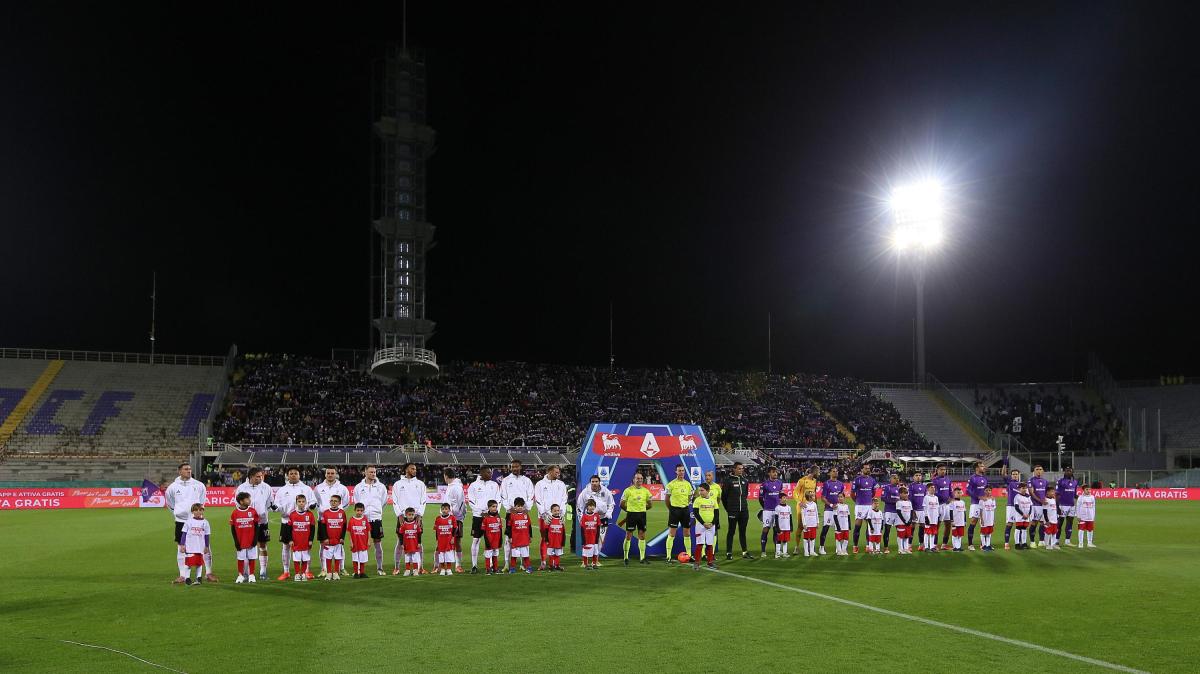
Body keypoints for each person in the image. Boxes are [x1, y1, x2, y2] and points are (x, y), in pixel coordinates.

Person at [166, 463, 212, 584]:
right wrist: (179, 513)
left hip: (197, 520)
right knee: (181, 548)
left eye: (190, 469)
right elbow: (170, 504)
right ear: (179, 471)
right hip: (181, 521)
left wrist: (197, 514)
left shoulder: (199, 485)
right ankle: (182, 575)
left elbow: (202, 502)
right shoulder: (172, 487)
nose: (189, 471)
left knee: (205, 546)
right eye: (186, 469)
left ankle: (208, 573)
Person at [275, 468, 317, 580]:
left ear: (300, 475)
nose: (293, 475)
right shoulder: (282, 490)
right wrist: (276, 508)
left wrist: (312, 505)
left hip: (303, 523)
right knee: (286, 546)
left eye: (295, 473)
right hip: (286, 522)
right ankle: (286, 571)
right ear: (287, 475)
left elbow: (313, 501)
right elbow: (276, 505)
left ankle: (306, 571)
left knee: (306, 547)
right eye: (291, 474)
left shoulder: (306, 489)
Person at [234, 467, 273, 580]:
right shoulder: (242, 488)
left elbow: (270, 503)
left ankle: (263, 571)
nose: (260, 478)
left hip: (262, 522)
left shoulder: (267, 487)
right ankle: (246, 573)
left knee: (263, 546)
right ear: (251, 477)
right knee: (246, 547)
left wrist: (264, 512)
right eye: (258, 476)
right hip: (247, 523)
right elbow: (238, 504)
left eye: (261, 476)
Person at [391, 463, 428, 575]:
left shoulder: (420, 484)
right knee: (400, 542)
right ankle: (397, 567)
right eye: (412, 468)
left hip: (416, 517)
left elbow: (424, 500)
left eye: (415, 469)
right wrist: (399, 515)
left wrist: (420, 515)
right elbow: (394, 501)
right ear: (406, 469)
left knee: (419, 543)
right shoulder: (398, 484)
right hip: (402, 518)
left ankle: (420, 567)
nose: (414, 470)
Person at [351, 466, 388, 576]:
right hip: (363, 519)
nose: (373, 473)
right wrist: (363, 513)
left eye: (374, 472)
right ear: (365, 473)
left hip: (376, 519)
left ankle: (380, 568)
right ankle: (359, 570)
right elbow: (357, 502)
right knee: (360, 545)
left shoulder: (381, 487)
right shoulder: (359, 487)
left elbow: (384, 501)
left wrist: (377, 511)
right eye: (371, 472)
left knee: (377, 544)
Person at [533, 465, 568, 571]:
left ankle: (555, 564)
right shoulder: (540, 484)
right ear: (549, 472)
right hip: (545, 517)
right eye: (556, 472)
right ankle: (543, 562)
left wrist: (561, 513)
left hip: (558, 516)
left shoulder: (561, 484)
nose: (558, 474)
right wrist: (545, 514)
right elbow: (538, 500)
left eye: (559, 472)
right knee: (545, 538)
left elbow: (564, 499)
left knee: (557, 538)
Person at [468, 465, 502, 574]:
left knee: (492, 540)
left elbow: (498, 500)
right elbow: (471, 501)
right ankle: (474, 565)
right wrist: (481, 512)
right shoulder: (473, 485)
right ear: (481, 473)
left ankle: (492, 564)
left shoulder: (495, 485)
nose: (490, 474)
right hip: (478, 517)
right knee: (476, 540)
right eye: (488, 472)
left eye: (490, 472)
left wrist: (493, 512)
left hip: (491, 517)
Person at [500, 460, 534, 567]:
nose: (515, 468)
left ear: (520, 467)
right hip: (511, 513)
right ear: (511, 468)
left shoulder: (526, 480)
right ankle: (506, 563)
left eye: (517, 466)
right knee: (508, 539)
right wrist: (510, 508)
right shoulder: (505, 480)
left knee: (523, 538)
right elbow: (503, 497)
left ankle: (522, 564)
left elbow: (531, 496)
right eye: (513, 467)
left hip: (523, 513)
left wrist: (526, 508)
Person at [577, 474, 614, 567]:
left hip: (603, 518)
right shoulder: (585, 492)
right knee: (587, 540)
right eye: (592, 481)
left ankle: (595, 561)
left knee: (599, 541)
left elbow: (611, 504)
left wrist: (609, 513)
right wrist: (581, 519)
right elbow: (579, 506)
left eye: (596, 481)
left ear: (599, 482)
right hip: (589, 520)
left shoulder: (606, 491)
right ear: (590, 482)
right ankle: (584, 561)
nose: (594, 483)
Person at [721, 461, 752, 560]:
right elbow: (723, 497)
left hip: (744, 511)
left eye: (742, 469)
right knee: (731, 531)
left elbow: (745, 495)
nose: (741, 470)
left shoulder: (745, 481)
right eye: (739, 468)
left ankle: (745, 552)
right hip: (733, 511)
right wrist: (728, 509)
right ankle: (729, 553)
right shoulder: (728, 481)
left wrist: (743, 507)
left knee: (743, 532)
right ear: (734, 469)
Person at [664, 464, 695, 565]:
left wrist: (684, 504)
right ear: (676, 472)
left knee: (687, 533)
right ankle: (668, 556)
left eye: (682, 471)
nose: (681, 472)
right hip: (674, 511)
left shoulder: (688, 484)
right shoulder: (671, 484)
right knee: (672, 533)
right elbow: (667, 499)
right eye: (679, 471)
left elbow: (690, 497)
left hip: (685, 510)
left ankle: (689, 555)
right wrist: (672, 509)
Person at [619, 473, 653, 565]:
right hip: (631, 515)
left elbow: (650, 504)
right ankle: (625, 557)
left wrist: (642, 509)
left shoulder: (646, 491)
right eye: (637, 478)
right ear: (633, 479)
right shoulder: (628, 490)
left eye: (641, 478)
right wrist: (629, 510)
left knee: (642, 536)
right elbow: (621, 504)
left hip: (642, 515)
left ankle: (642, 558)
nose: (639, 480)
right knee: (628, 535)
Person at [229, 492, 259, 584]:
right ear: (241, 502)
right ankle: (240, 575)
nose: (249, 500)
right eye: (247, 499)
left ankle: (251, 575)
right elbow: (233, 529)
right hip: (240, 540)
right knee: (240, 558)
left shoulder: (253, 511)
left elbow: (257, 526)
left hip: (251, 540)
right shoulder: (235, 513)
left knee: (252, 557)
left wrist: (255, 539)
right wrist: (236, 542)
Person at [179, 503, 211, 585]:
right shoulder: (189, 522)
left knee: (199, 563)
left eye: (200, 510)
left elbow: (207, 535)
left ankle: (198, 578)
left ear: (203, 511)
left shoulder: (205, 522)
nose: (198, 512)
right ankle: (187, 578)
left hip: (200, 546)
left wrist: (207, 546)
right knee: (189, 563)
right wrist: (182, 545)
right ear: (192, 511)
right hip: (190, 546)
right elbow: (184, 534)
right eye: (196, 510)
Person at [319, 494, 348, 580]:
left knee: (337, 557)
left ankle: (336, 573)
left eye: (335, 501)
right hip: (328, 540)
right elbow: (323, 527)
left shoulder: (342, 513)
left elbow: (344, 526)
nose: (333, 502)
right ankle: (328, 573)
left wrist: (342, 537)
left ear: (339, 503)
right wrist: (325, 538)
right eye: (331, 501)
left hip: (338, 540)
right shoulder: (326, 512)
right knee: (328, 557)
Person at [288, 495, 317, 581]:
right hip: (296, 541)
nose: (301, 503)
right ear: (296, 503)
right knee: (296, 558)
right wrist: (290, 540)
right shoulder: (292, 514)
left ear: (306, 503)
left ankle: (303, 573)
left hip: (306, 541)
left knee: (305, 558)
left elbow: (312, 528)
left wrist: (311, 540)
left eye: (303, 501)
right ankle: (297, 574)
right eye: (299, 502)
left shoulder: (310, 514)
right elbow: (289, 529)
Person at [442, 468, 466, 573]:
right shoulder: (451, 487)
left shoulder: (456, 487)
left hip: (455, 519)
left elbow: (461, 504)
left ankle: (458, 565)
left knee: (457, 542)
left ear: (446, 476)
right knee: (446, 541)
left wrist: (457, 518)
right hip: (447, 518)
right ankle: (446, 565)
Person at [851, 463, 878, 554]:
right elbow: (852, 494)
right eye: (866, 468)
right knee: (858, 526)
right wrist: (857, 501)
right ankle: (855, 546)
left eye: (869, 468)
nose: (868, 470)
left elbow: (873, 492)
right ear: (862, 470)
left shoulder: (872, 480)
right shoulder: (857, 480)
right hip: (860, 506)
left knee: (869, 526)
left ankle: (868, 546)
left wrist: (869, 500)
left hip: (869, 506)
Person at [691, 483, 719, 570]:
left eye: (702, 490)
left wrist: (712, 523)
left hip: (711, 526)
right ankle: (696, 563)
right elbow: (696, 513)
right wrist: (703, 523)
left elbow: (717, 513)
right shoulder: (697, 500)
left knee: (710, 544)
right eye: (699, 490)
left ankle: (710, 562)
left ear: (708, 491)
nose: (700, 492)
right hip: (700, 526)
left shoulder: (713, 500)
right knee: (700, 544)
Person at [757, 466, 784, 558]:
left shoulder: (780, 483)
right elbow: (760, 498)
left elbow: (781, 496)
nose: (775, 473)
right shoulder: (764, 484)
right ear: (769, 473)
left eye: (776, 472)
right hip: (768, 511)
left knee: (777, 530)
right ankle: (763, 551)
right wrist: (765, 508)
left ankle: (777, 551)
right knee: (766, 529)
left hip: (777, 511)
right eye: (773, 472)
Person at [820, 467, 846, 555]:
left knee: (838, 529)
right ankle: (821, 548)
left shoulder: (841, 484)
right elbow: (822, 497)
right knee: (825, 528)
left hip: (838, 511)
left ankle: (838, 549)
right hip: (828, 510)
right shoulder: (826, 483)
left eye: (836, 471)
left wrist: (841, 505)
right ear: (830, 473)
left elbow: (842, 496)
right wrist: (831, 505)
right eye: (833, 471)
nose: (835, 473)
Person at [506, 497, 534, 574]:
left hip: (524, 538)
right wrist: (510, 537)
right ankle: (512, 568)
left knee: (526, 555)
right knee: (514, 555)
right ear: (515, 507)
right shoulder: (512, 515)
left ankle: (529, 567)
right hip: (515, 539)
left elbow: (529, 526)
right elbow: (508, 527)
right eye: (518, 506)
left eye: (521, 506)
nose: (520, 507)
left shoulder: (526, 515)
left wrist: (530, 536)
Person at [1055, 466, 1080, 546]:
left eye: (1070, 471)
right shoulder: (1060, 481)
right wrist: (1057, 506)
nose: (1068, 472)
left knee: (1070, 523)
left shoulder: (1075, 482)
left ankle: (1067, 541)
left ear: (1072, 472)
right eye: (1067, 471)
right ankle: (1056, 540)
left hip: (1071, 505)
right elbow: (1057, 495)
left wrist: (1079, 498)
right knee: (1060, 524)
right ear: (1064, 472)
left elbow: (1075, 494)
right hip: (1062, 505)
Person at [931, 464, 953, 550]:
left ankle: (944, 545)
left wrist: (951, 498)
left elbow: (950, 491)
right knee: (937, 525)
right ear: (937, 470)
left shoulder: (948, 479)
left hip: (947, 505)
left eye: (944, 469)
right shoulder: (934, 480)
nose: (943, 471)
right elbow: (934, 492)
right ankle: (934, 544)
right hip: (938, 506)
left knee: (948, 525)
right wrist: (942, 498)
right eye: (941, 469)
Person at [348, 503, 372, 578]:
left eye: (361, 510)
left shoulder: (365, 519)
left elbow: (368, 530)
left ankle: (362, 572)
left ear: (363, 511)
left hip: (363, 543)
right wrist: (351, 542)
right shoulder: (352, 520)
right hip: (355, 543)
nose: (359, 512)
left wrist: (369, 540)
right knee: (355, 558)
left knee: (362, 558)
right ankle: (356, 573)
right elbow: (349, 532)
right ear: (355, 510)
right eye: (358, 510)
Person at [397, 507, 423, 576]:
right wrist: (402, 543)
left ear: (414, 515)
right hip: (407, 545)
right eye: (409, 514)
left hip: (414, 544)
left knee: (415, 558)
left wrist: (419, 543)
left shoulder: (416, 524)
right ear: (406, 515)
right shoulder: (404, 525)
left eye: (412, 514)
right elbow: (401, 534)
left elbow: (419, 534)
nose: (411, 516)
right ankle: (407, 570)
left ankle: (415, 570)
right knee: (407, 558)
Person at [1028, 465, 1049, 548]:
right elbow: (1031, 493)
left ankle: (1041, 541)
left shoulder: (1045, 481)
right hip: (1035, 505)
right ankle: (1032, 542)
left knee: (1043, 523)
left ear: (1043, 471)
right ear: (1034, 471)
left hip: (1043, 505)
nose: (1039, 471)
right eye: (1037, 469)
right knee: (1034, 522)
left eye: (1040, 469)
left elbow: (1047, 493)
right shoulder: (1031, 480)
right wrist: (1040, 501)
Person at [481, 500, 505, 575]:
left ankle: (495, 569)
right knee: (488, 554)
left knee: (495, 554)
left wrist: (501, 539)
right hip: (489, 540)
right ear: (489, 507)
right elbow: (484, 531)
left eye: (496, 507)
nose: (495, 508)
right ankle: (488, 569)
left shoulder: (498, 517)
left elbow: (500, 529)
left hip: (497, 540)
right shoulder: (486, 518)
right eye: (493, 506)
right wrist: (487, 541)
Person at [434, 503, 457, 576]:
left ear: (449, 510)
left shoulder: (452, 518)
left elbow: (455, 528)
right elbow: (436, 530)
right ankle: (443, 569)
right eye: (443, 509)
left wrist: (453, 537)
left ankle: (449, 569)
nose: (444, 510)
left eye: (446, 509)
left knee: (448, 555)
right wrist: (437, 539)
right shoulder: (438, 518)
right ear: (441, 510)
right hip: (441, 540)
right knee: (441, 555)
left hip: (449, 540)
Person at [880, 473, 901, 554]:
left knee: (899, 530)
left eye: (897, 478)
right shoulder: (886, 487)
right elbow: (883, 498)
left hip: (898, 512)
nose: (897, 479)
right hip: (889, 512)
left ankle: (900, 547)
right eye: (895, 478)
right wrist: (894, 502)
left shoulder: (899, 488)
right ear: (891, 479)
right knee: (887, 530)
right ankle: (886, 548)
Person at [703, 469, 721, 556]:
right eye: (706, 475)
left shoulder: (717, 487)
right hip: (703, 513)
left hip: (713, 513)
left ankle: (711, 553)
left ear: (712, 476)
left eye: (709, 475)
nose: (707, 477)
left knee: (714, 533)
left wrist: (714, 507)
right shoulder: (701, 487)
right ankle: (702, 554)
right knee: (702, 533)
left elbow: (718, 499)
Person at [579, 499, 602, 570]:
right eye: (590, 506)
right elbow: (582, 529)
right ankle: (585, 564)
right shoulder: (584, 517)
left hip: (594, 538)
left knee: (595, 551)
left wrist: (597, 538)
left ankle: (594, 563)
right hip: (587, 538)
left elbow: (598, 527)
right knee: (586, 552)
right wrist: (583, 540)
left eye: (593, 506)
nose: (592, 507)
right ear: (587, 507)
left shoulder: (596, 516)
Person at [1002, 469, 1022, 551]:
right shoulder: (1010, 483)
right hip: (1011, 506)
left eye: (1016, 474)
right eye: (1013, 474)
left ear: (1018, 475)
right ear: (1011, 475)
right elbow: (1003, 474)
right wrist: (1004, 465)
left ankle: (1019, 542)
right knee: (1009, 524)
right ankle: (1006, 543)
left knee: (1020, 525)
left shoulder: (1022, 485)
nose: (1015, 475)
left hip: (1020, 507)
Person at [908, 470, 927, 552]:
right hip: (914, 510)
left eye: (919, 475)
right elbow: (910, 499)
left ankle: (921, 544)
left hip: (922, 510)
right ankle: (909, 545)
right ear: (913, 477)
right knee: (912, 527)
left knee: (922, 527)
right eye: (916, 475)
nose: (918, 476)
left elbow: (926, 499)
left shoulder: (924, 486)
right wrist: (912, 511)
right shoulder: (911, 486)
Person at [545, 503, 567, 572]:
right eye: (555, 511)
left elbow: (563, 531)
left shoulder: (562, 518)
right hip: (551, 541)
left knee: (557, 554)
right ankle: (551, 566)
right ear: (551, 511)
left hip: (558, 541)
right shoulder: (549, 518)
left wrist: (563, 541)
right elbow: (546, 530)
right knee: (551, 554)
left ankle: (557, 565)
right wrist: (546, 539)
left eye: (558, 510)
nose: (557, 512)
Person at [1012, 483, 1033, 550]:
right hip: (1020, 516)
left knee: (1024, 529)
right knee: (1018, 529)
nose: (1024, 489)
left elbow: (1030, 506)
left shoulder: (1028, 497)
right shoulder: (1017, 497)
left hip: (1027, 516)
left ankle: (1024, 543)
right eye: (1022, 488)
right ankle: (1017, 544)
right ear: (1019, 489)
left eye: (1025, 488)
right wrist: (1023, 514)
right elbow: (1016, 507)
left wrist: (1028, 514)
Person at [799, 490, 819, 557]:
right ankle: (806, 551)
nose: (814, 496)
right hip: (807, 524)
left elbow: (816, 513)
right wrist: (804, 524)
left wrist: (817, 522)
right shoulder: (804, 505)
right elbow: (803, 515)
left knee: (813, 538)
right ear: (809, 497)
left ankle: (812, 551)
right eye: (813, 496)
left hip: (813, 524)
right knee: (806, 538)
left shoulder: (814, 504)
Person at [922, 484, 940, 553]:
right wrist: (926, 517)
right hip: (928, 518)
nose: (933, 489)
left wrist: (937, 516)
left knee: (933, 533)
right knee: (927, 532)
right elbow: (924, 507)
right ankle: (926, 547)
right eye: (931, 487)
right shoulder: (926, 497)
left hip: (934, 518)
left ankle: (932, 546)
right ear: (928, 489)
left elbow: (937, 507)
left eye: (934, 487)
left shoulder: (936, 498)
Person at [895, 487, 913, 555]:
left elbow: (911, 511)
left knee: (907, 536)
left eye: (906, 493)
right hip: (900, 522)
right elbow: (899, 512)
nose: (906, 495)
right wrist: (904, 521)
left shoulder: (909, 502)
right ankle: (900, 549)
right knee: (900, 536)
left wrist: (910, 520)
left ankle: (906, 549)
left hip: (908, 522)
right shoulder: (899, 502)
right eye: (904, 493)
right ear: (900, 494)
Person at [833, 492, 851, 556]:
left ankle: (844, 550)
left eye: (841, 497)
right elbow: (835, 517)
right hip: (839, 526)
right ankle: (839, 551)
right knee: (838, 539)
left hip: (846, 526)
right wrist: (837, 526)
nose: (840, 498)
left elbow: (848, 516)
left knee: (846, 539)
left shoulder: (846, 506)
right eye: (839, 497)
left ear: (844, 498)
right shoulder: (836, 506)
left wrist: (849, 525)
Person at [950, 487, 967, 552]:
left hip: (961, 521)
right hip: (955, 521)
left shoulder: (963, 502)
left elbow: (964, 512)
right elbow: (950, 512)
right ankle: (955, 547)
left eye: (960, 492)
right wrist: (952, 521)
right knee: (955, 534)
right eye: (957, 493)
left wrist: (965, 521)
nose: (959, 494)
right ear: (954, 493)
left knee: (960, 535)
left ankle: (959, 546)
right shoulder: (952, 502)